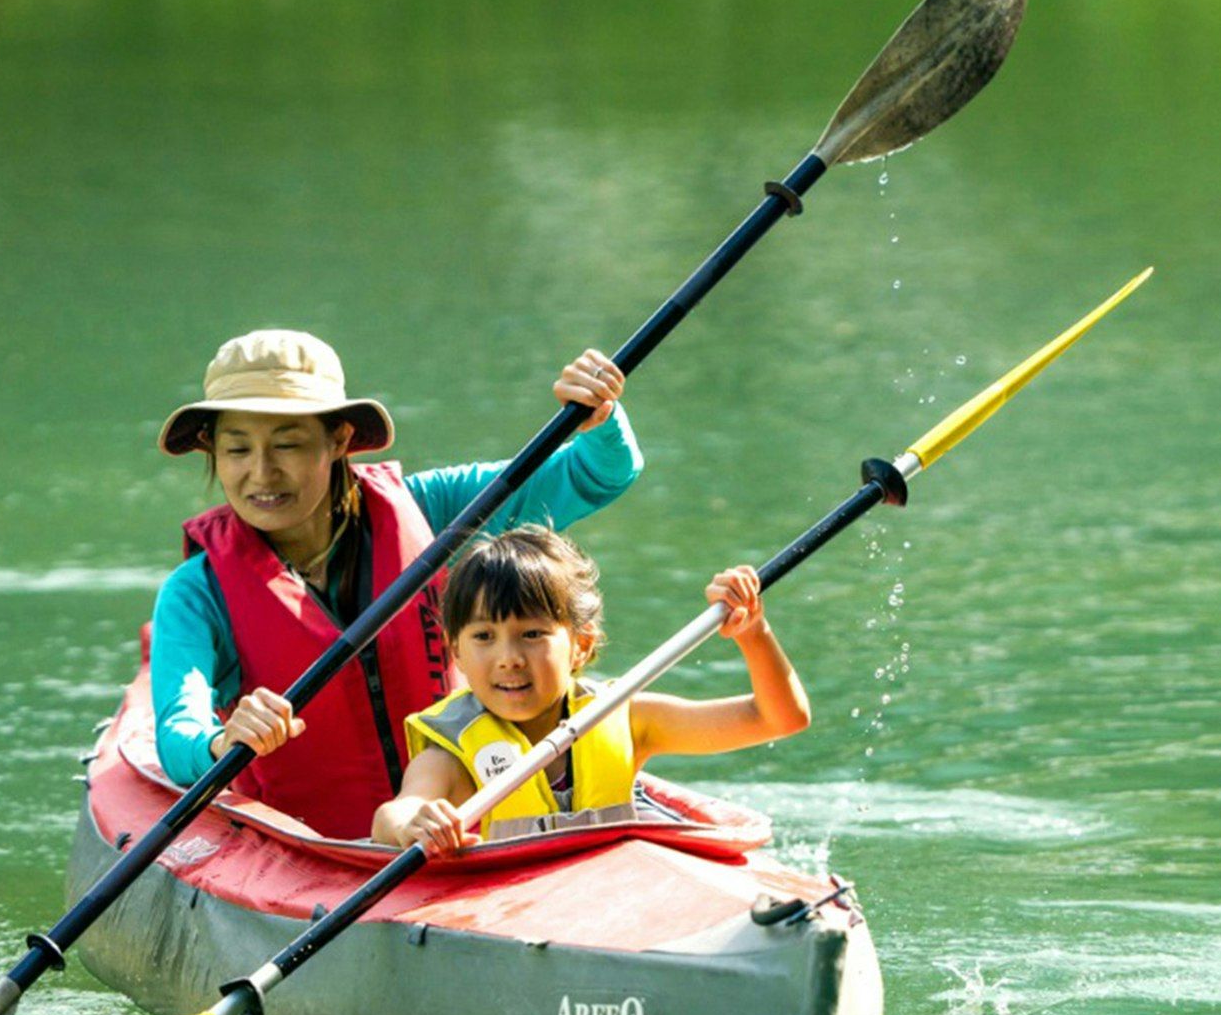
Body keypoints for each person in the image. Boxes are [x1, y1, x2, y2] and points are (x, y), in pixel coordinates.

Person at [149, 329, 637, 840]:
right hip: (313, 852)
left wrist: (600, 418)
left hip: (461, 831)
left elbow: (601, 472)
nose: (261, 473)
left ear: (339, 439)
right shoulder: (196, 592)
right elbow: (178, 736)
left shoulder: (432, 509)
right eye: (236, 450)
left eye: (287, 445)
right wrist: (222, 742)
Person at [371, 528, 810, 855]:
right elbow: (393, 814)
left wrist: (753, 633)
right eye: (484, 637)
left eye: (532, 634)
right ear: (457, 654)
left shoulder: (626, 717)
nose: (509, 658)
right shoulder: (449, 758)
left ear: (580, 645)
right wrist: (414, 825)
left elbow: (780, 718)